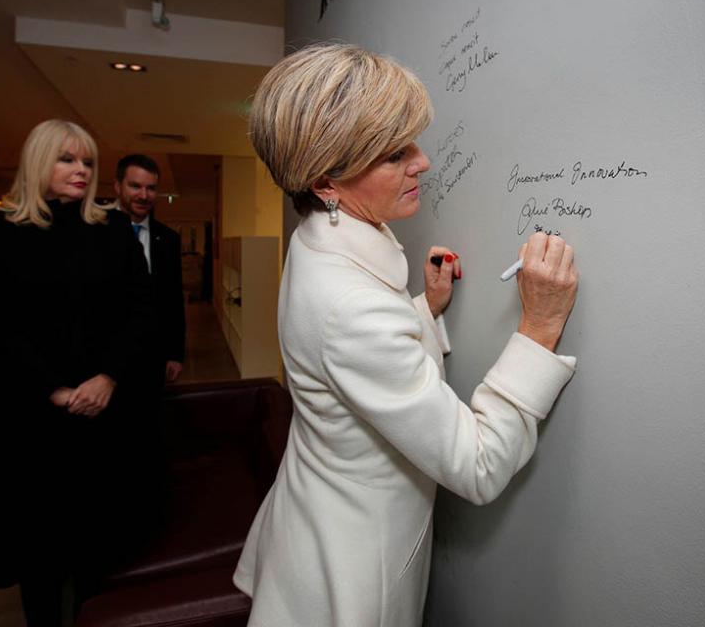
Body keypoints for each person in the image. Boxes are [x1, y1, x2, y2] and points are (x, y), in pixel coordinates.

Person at [234, 44, 580, 626]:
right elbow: (477, 464)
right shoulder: (351, 305)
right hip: (352, 561)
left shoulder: (317, 236)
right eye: (394, 154)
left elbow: (345, 355)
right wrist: (539, 326)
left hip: (314, 512)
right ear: (326, 182)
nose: (422, 162)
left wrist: (423, 309)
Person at [0, 119, 156, 626]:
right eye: (67, 159)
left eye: (87, 161)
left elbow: (140, 311)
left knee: (97, 547)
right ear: (37, 163)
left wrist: (108, 376)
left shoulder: (111, 230)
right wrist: (52, 389)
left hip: (103, 411)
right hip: (28, 418)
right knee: (38, 554)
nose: (81, 170)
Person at [113, 154, 186, 383]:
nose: (143, 195)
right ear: (118, 186)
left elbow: (173, 298)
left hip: (152, 358)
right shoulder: (95, 229)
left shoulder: (168, 239)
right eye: (135, 186)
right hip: (105, 358)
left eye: (151, 188)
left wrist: (175, 354)